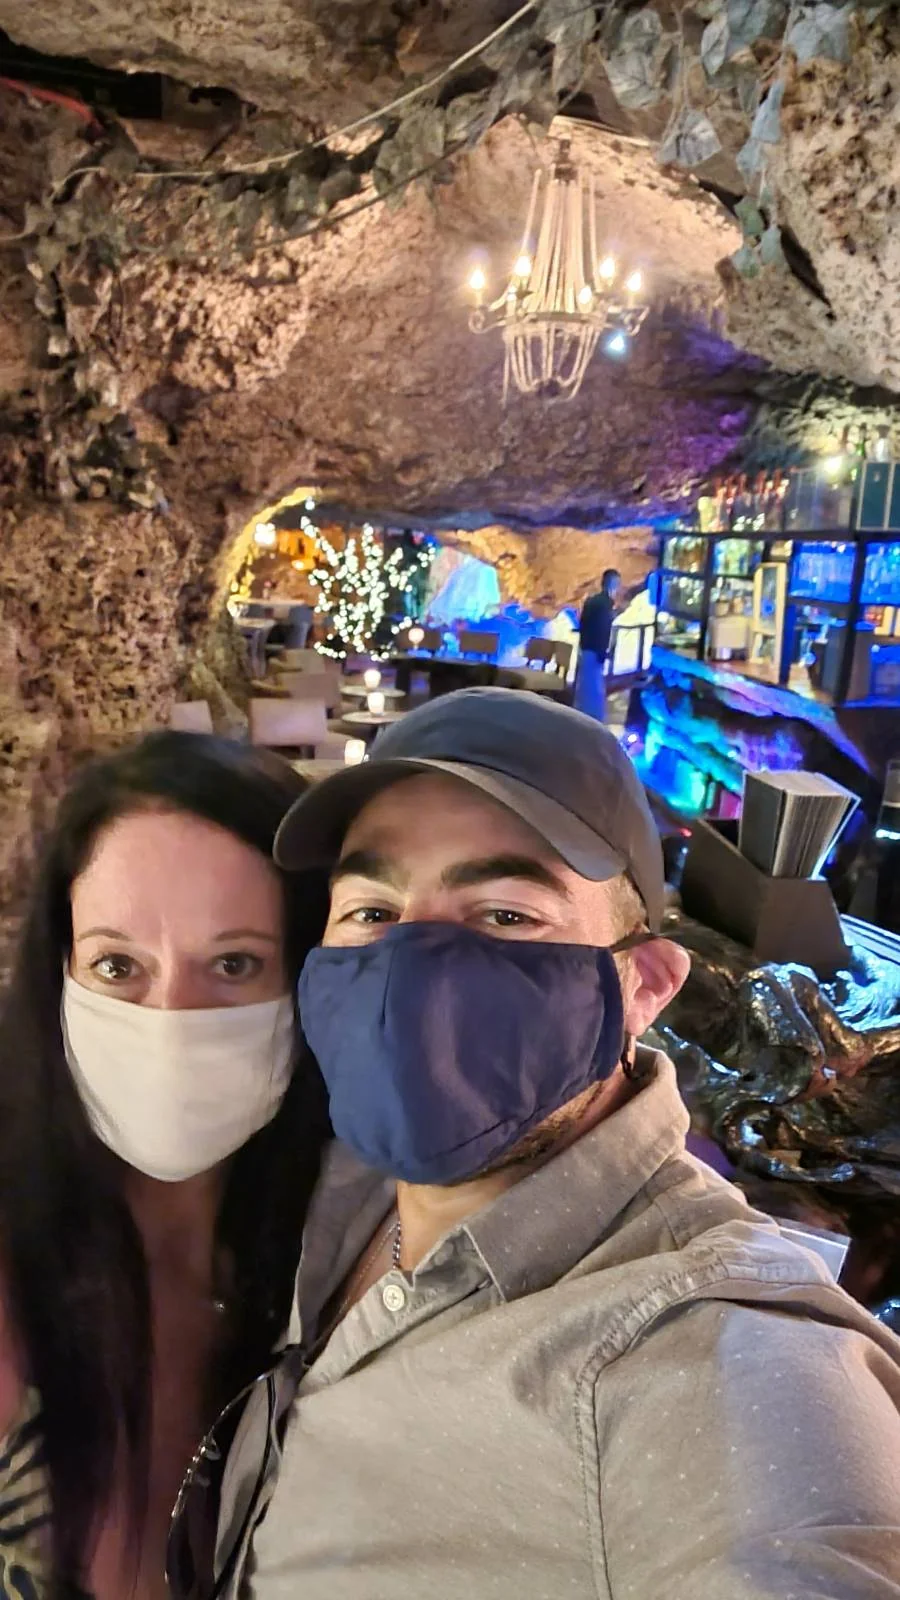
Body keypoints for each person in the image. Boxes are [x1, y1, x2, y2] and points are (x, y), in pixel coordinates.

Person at [178, 687, 900, 1600]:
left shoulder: (718, 1361)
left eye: (507, 916)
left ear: (643, 986)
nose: (413, 965)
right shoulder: (337, 1177)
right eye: (371, 910)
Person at [0, 733, 329, 1600]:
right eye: (118, 965)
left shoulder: (358, 1256)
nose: (171, 1017)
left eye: (234, 964)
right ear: (60, 976)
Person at [574, 567, 621, 720]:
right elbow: (602, 629)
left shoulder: (592, 601)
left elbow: (583, 624)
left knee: (585, 685)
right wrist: (603, 651)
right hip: (595, 650)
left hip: (586, 647)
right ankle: (593, 719)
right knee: (594, 688)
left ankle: (581, 715)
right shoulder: (605, 604)